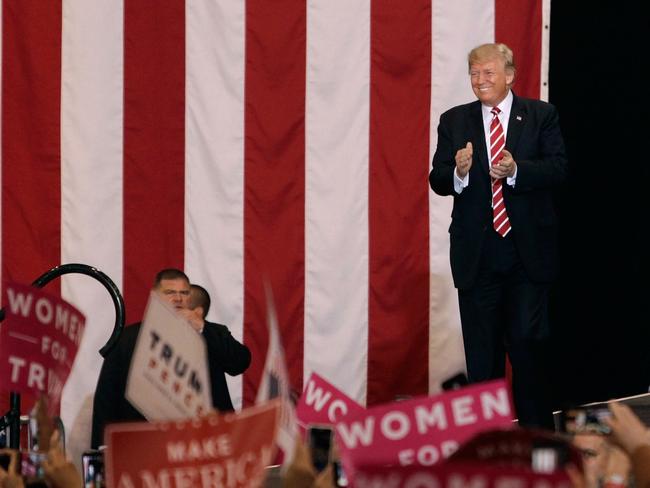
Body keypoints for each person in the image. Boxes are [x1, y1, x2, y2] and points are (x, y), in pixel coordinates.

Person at [429, 43, 567, 429]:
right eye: (474, 72)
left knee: (527, 349)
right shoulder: (454, 121)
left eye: (488, 72)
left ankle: (538, 442)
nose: (480, 80)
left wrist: (517, 170)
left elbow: (558, 168)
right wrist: (458, 171)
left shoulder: (541, 116)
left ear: (510, 74)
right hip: (478, 258)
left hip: (527, 257)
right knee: (482, 358)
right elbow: (437, 179)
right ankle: (487, 446)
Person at [90, 269, 251, 448]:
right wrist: (102, 450)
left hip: (204, 444)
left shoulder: (210, 333)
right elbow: (106, 399)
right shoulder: (126, 339)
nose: (178, 298)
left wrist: (201, 327)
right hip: (145, 445)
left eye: (184, 293)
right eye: (170, 293)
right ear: (155, 296)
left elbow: (240, 362)